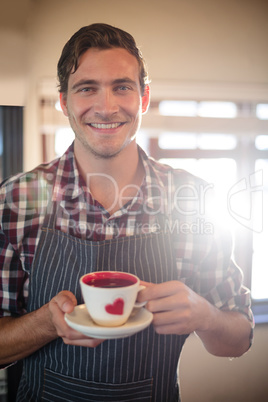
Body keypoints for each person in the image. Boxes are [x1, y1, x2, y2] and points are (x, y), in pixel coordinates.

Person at [0, 23, 253, 401]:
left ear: (144, 97)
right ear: (63, 101)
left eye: (122, 86)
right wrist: (47, 323)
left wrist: (205, 315)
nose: (106, 107)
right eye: (87, 88)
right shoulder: (15, 199)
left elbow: (237, 341)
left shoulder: (194, 198)